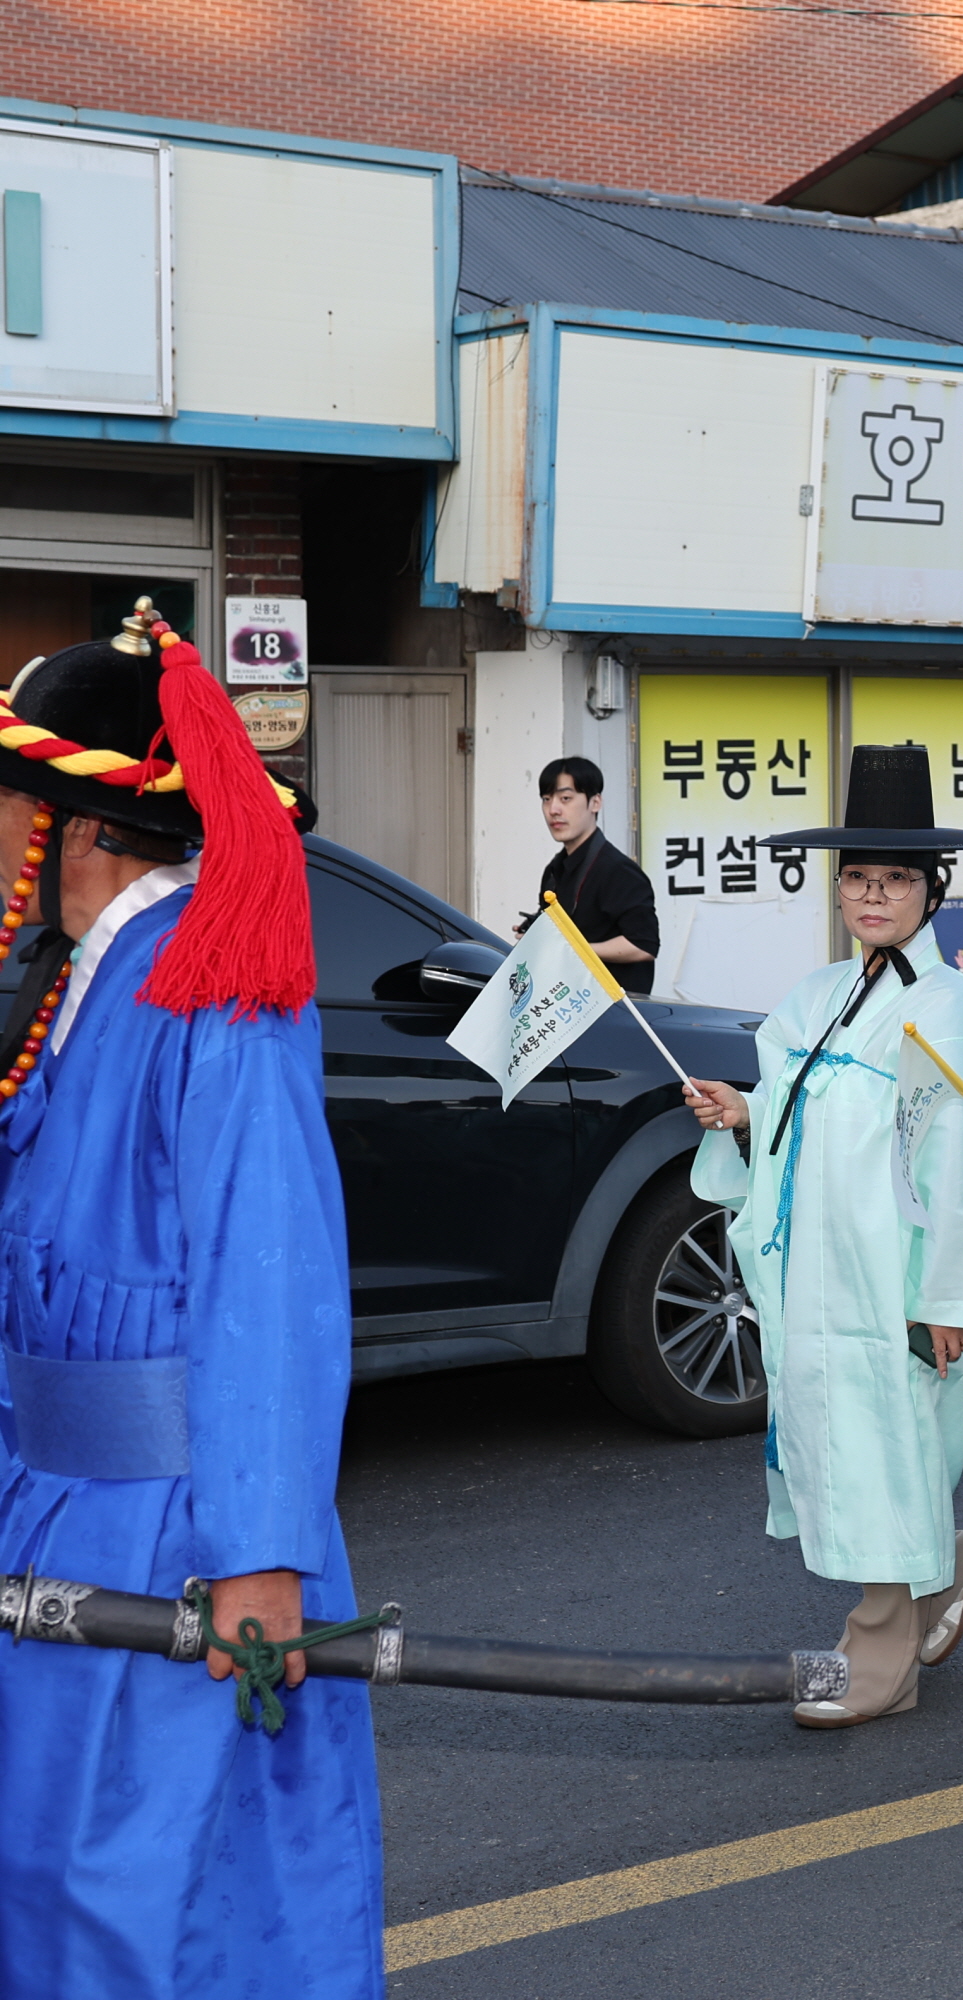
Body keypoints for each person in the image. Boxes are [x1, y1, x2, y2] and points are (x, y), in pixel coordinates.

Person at [0, 604, 383, 1996]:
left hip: (176, 1523)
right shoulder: (72, 987)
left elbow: (268, 1272)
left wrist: (263, 1549)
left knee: (158, 1899)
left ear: (74, 827)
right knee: (44, 1873)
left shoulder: (216, 991)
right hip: (50, 1501)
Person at [682, 744, 963, 1726]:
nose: (875, 895)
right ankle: (943, 1564)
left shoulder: (949, 1008)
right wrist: (744, 1113)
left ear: (932, 890)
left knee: (887, 1448)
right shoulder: (817, 998)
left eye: (898, 878)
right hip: (818, 1271)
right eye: (860, 878)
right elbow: (794, 1112)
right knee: (856, 1448)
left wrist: (950, 1295)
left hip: (894, 1275)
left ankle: (881, 1656)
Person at [527, 754, 659, 994]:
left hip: (612, 1013)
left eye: (565, 798)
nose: (553, 810)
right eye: (546, 799)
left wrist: (575, 948)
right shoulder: (555, 869)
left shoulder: (618, 870)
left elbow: (643, 945)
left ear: (595, 803)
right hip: (565, 1006)